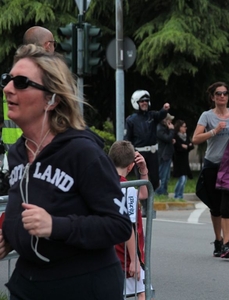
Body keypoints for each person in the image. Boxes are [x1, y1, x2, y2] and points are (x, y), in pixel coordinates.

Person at [0, 44, 132, 300]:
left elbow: (118, 225)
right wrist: (8, 235)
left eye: (21, 82)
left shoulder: (82, 152)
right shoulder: (17, 153)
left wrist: (55, 226)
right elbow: (26, 209)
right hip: (27, 284)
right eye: (7, 79)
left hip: (83, 287)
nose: (7, 88)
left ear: (52, 99)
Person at [192, 81, 229, 259]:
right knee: (215, 207)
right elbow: (195, 139)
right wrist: (214, 131)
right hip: (212, 165)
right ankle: (218, 240)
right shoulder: (207, 116)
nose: (221, 96)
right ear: (213, 97)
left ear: (228, 96)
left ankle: (227, 244)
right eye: (218, 93)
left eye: (224, 93)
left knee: (227, 206)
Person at [2, 26, 56, 152]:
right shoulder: (48, 78)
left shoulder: (15, 71)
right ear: (48, 45)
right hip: (32, 151)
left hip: (16, 152)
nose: (8, 89)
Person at [109, 141, 148, 300]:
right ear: (131, 166)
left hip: (112, 253)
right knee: (143, 293)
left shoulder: (106, 184)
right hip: (127, 254)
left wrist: (144, 171)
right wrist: (135, 260)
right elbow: (129, 226)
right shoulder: (128, 188)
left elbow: (143, 194)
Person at [125, 90, 170, 214]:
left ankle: (148, 202)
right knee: (142, 179)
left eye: (146, 101)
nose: (144, 103)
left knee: (155, 180)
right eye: (142, 101)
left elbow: (160, 115)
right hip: (140, 153)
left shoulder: (152, 116)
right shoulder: (131, 120)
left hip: (153, 153)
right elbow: (127, 138)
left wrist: (164, 109)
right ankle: (145, 207)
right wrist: (131, 153)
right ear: (136, 103)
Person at [172, 120, 194, 199]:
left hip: (185, 160)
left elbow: (191, 146)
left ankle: (180, 195)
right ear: (179, 127)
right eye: (184, 126)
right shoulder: (175, 136)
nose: (185, 128)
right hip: (178, 160)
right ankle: (177, 195)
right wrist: (184, 146)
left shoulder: (186, 136)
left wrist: (186, 146)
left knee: (184, 178)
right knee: (182, 178)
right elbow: (178, 148)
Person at [155, 113, 175, 196]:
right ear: (165, 120)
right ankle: (160, 192)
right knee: (163, 175)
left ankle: (164, 191)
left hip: (167, 154)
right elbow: (166, 138)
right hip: (164, 155)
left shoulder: (163, 128)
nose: (171, 122)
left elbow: (168, 139)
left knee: (166, 176)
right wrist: (171, 130)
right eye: (169, 120)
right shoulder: (160, 129)